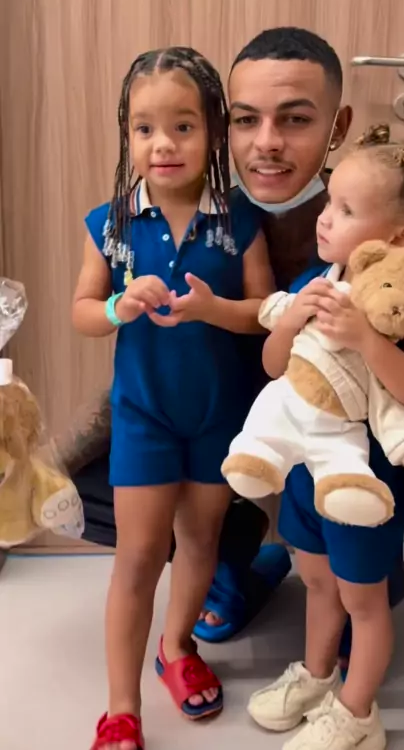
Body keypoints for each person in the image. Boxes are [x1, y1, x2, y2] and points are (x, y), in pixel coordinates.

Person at [68, 26, 404, 638]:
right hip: (225, 428)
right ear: (221, 127)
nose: (266, 143)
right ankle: (236, 555)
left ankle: (346, 581)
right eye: (245, 120)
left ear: (337, 127)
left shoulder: (375, 228)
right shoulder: (205, 217)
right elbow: (133, 336)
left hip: (344, 442)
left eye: (295, 119)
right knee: (97, 484)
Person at [72, 47, 275, 750]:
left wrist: (214, 309)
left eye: (183, 126)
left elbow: (264, 313)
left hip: (219, 416)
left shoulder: (239, 219)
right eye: (144, 128)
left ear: (214, 132)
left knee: (199, 541)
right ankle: (120, 707)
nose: (163, 144)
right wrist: (119, 306)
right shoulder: (112, 220)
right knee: (137, 556)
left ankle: (177, 648)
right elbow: (81, 311)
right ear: (127, 134)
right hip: (145, 417)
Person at [247, 122, 404, 750]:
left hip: (367, 482)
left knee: (363, 605)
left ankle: (358, 711)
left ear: (399, 238)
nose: (325, 218)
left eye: (345, 210)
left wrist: (368, 340)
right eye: (329, 202)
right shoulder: (319, 278)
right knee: (316, 582)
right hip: (307, 472)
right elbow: (273, 366)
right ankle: (318, 675)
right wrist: (289, 320)